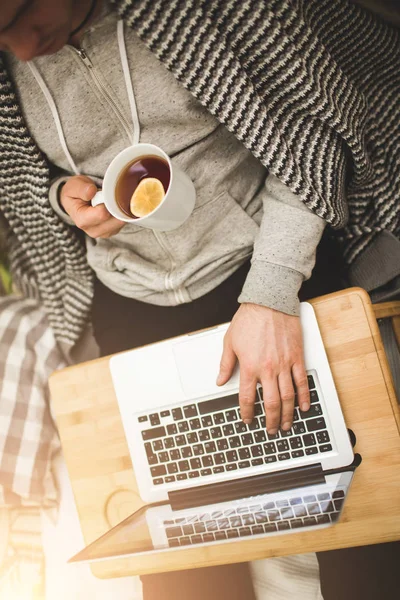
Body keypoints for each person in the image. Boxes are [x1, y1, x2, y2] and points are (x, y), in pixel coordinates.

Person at [0, 0, 398, 599]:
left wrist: (271, 294)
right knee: (180, 568)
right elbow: (23, 179)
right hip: (127, 297)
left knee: (361, 520)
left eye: (23, 14)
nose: (22, 48)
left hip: (268, 256)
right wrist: (64, 196)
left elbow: (316, 126)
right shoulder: (15, 59)